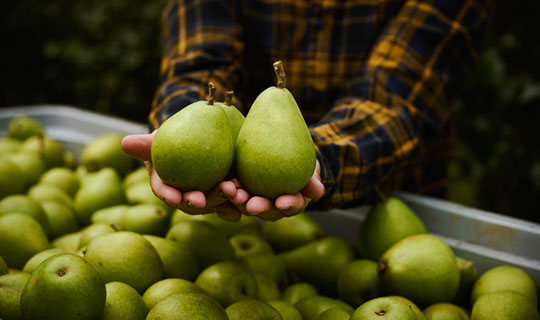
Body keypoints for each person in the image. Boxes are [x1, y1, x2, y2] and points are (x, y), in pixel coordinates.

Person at [121, 0, 492, 221]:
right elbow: (199, 58)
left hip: (386, 198)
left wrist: (319, 162)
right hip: (231, 201)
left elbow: (398, 97)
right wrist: (180, 125)